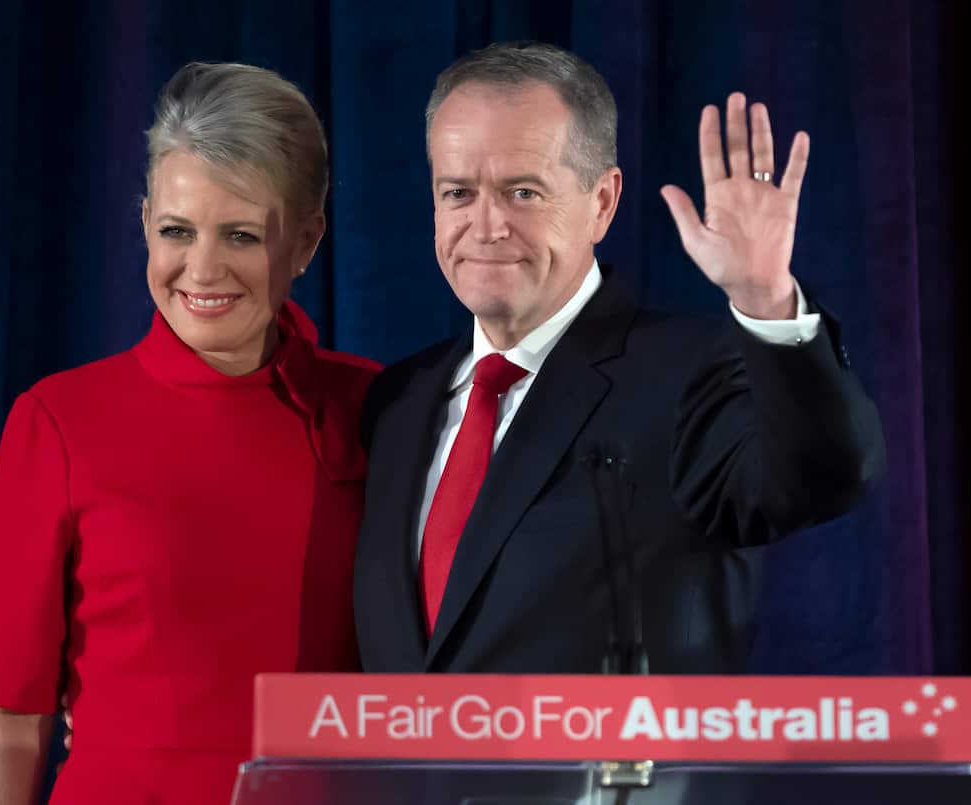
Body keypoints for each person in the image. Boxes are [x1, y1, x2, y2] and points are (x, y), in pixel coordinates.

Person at [353, 41, 886, 675]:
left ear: (601, 202)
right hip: (405, 778)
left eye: (522, 192)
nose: (486, 225)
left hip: (619, 777)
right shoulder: (397, 401)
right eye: (458, 192)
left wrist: (766, 298)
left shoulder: (692, 375)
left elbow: (823, 476)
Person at [0, 62, 379, 804]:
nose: (203, 268)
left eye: (243, 234)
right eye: (177, 230)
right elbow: (9, 725)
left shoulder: (379, 408)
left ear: (307, 241)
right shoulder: (58, 420)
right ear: (145, 221)